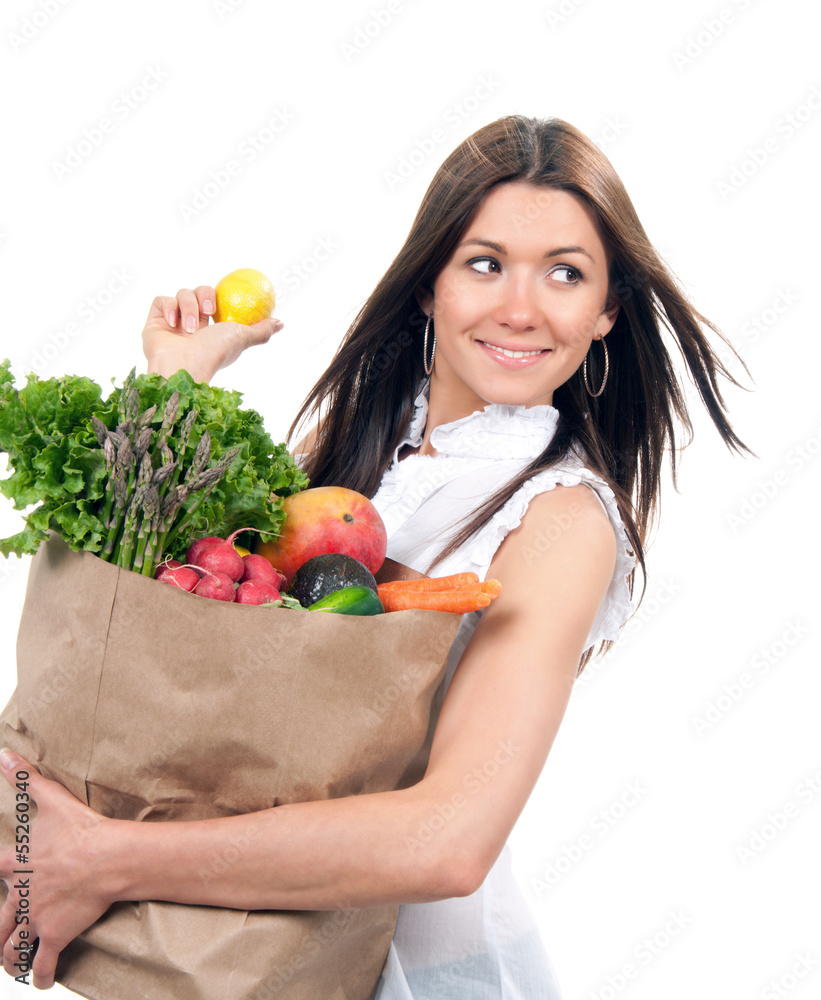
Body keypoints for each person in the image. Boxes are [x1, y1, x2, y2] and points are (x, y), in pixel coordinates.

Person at [0, 115, 750, 996]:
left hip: (402, 975)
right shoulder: (354, 451)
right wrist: (179, 377)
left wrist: (108, 858)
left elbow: (447, 839)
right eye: (484, 261)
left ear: (605, 312)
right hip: (239, 951)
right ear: (429, 284)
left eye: (566, 273)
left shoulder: (561, 520)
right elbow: (192, 637)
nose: (521, 305)